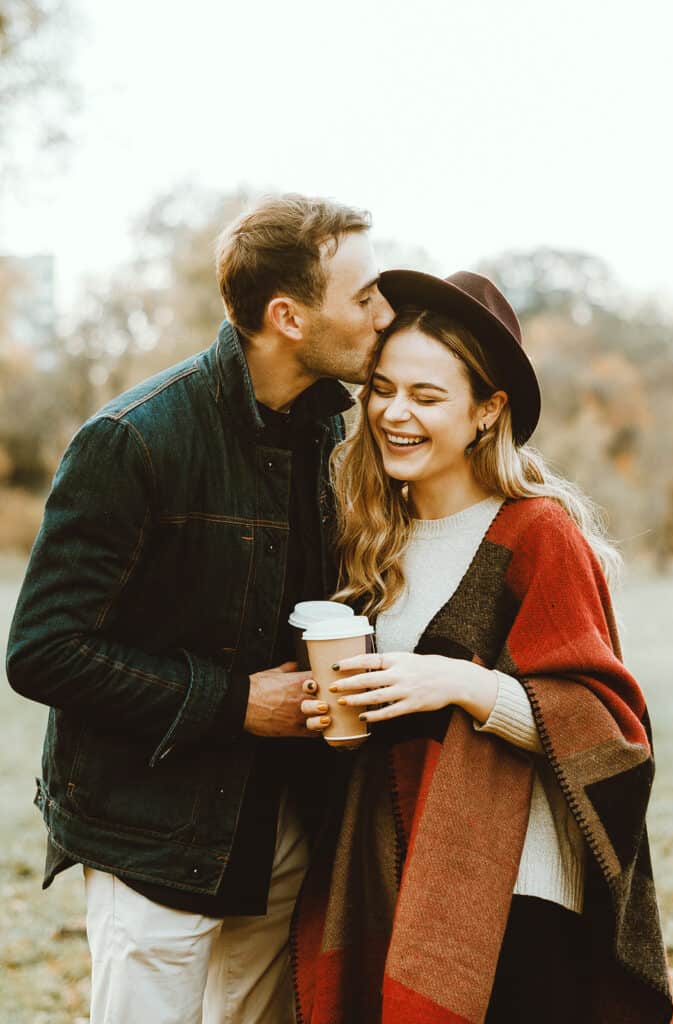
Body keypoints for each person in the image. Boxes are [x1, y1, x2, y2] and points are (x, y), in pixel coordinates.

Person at [5, 193, 394, 1024]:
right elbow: (43, 649)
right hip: (150, 840)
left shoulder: (332, 436)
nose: (384, 314)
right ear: (289, 316)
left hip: (285, 835)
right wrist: (237, 703)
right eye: (364, 296)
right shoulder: (135, 439)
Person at [296, 269, 673, 1023]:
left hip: (518, 899)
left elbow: (611, 731)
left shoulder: (538, 535)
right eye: (382, 388)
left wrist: (462, 685)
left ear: (485, 411)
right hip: (395, 879)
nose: (394, 414)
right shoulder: (371, 542)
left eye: (427, 397)